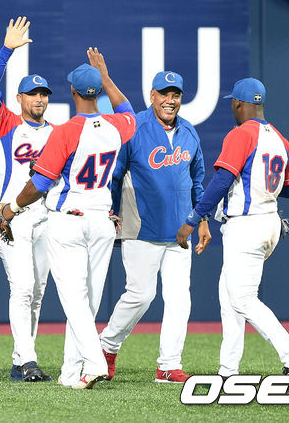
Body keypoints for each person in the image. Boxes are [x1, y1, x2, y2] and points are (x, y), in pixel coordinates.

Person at [0, 49, 136, 390]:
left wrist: (11, 208)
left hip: (69, 221)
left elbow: (40, 184)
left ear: (72, 91)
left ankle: (94, 362)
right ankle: (72, 372)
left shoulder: (66, 131)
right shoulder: (117, 126)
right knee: (89, 300)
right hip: (102, 221)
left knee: (74, 299)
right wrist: (106, 77)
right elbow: (127, 109)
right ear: (97, 91)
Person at [176, 78, 289, 378]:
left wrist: (193, 219)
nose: (233, 108)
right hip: (269, 221)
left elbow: (221, 181)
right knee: (229, 297)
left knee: (242, 298)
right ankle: (228, 371)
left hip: (247, 225)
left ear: (239, 103)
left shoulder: (242, 134)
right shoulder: (280, 139)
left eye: (233, 103)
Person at [99, 71, 210, 383]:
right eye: (164, 94)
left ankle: (169, 365)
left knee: (179, 299)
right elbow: (114, 175)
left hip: (180, 232)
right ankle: (107, 345)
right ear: (152, 96)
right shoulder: (135, 127)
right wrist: (110, 210)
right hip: (141, 228)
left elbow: (197, 181)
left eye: (175, 95)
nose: (170, 100)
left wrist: (202, 219)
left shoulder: (189, 132)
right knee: (141, 295)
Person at [0, 16, 54, 382]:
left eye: (43, 93)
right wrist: (6, 51)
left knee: (37, 292)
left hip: (45, 219)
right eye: (33, 93)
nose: (39, 98)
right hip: (9, 218)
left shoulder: (58, 134)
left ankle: (20, 359)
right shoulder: (8, 124)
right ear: (20, 98)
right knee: (23, 287)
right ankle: (28, 361)